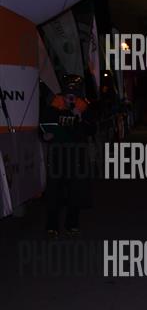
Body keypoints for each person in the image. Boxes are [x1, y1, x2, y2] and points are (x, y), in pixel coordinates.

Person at [41, 75, 96, 237]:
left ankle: (72, 224)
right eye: (67, 96)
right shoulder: (52, 108)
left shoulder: (83, 109)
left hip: (76, 157)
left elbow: (92, 130)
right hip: (57, 156)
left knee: (75, 192)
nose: (70, 99)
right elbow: (43, 127)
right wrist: (44, 136)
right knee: (54, 192)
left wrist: (80, 117)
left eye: (73, 96)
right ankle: (52, 225)